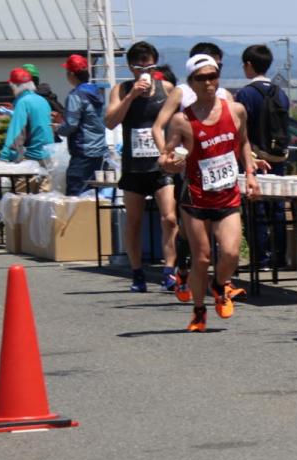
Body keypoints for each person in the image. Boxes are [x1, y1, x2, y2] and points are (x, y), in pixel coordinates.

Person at [159, 55, 258, 332]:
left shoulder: (236, 110)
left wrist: (250, 173)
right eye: (201, 78)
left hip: (227, 195)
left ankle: (219, 285)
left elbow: (244, 142)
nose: (208, 83)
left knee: (230, 252)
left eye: (212, 76)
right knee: (201, 257)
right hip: (195, 198)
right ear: (191, 83)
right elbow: (165, 156)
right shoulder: (182, 120)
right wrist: (170, 163)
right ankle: (199, 310)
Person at [105, 43, 180, 292]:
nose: (145, 71)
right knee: (134, 222)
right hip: (134, 166)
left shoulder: (166, 89)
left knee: (169, 217)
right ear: (131, 68)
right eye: (139, 67)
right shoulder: (122, 89)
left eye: (149, 66)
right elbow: (110, 122)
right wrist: (131, 96)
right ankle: (137, 273)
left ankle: (169, 271)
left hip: (160, 165)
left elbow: (179, 121)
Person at [234, 44, 290, 270]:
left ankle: (262, 258)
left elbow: (241, 130)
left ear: (248, 65)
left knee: (255, 209)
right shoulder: (281, 93)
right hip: (279, 158)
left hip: (255, 158)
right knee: (277, 208)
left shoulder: (246, 94)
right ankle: (280, 257)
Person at [54, 54, 108, 196]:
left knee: (75, 192)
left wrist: (58, 129)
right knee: (93, 193)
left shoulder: (76, 95)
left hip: (82, 151)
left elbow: (71, 124)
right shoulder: (97, 92)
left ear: (71, 74)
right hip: (99, 149)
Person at [0, 67, 56, 174]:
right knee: (46, 190)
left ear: (15, 86)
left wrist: (4, 156)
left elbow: (16, 132)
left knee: (23, 190)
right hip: (49, 155)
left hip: (32, 160)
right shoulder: (42, 100)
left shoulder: (23, 102)